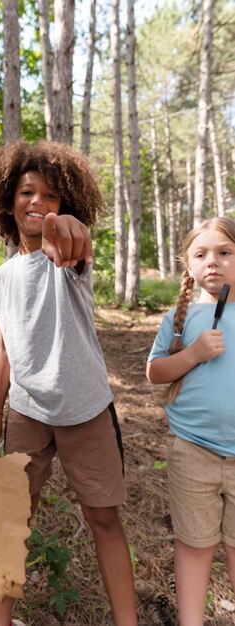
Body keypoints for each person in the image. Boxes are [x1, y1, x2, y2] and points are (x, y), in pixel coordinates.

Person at [0, 140, 138, 626]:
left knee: (104, 518)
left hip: (86, 408)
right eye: (27, 192)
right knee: (11, 521)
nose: (37, 203)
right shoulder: (3, 276)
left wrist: (66, 231)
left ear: (66, 205)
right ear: (7, 202)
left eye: (50, 196)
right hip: (26, 413)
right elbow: (6, 346)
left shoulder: (69, 260)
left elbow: (75, 240)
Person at [146, 216, 235, 626]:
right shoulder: (180, 319)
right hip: (192, 451)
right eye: (201, 254)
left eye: (225, 252)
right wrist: (194, 354)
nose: (212, 262)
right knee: (195, 545)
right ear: (188, 265)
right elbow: (155, 372)